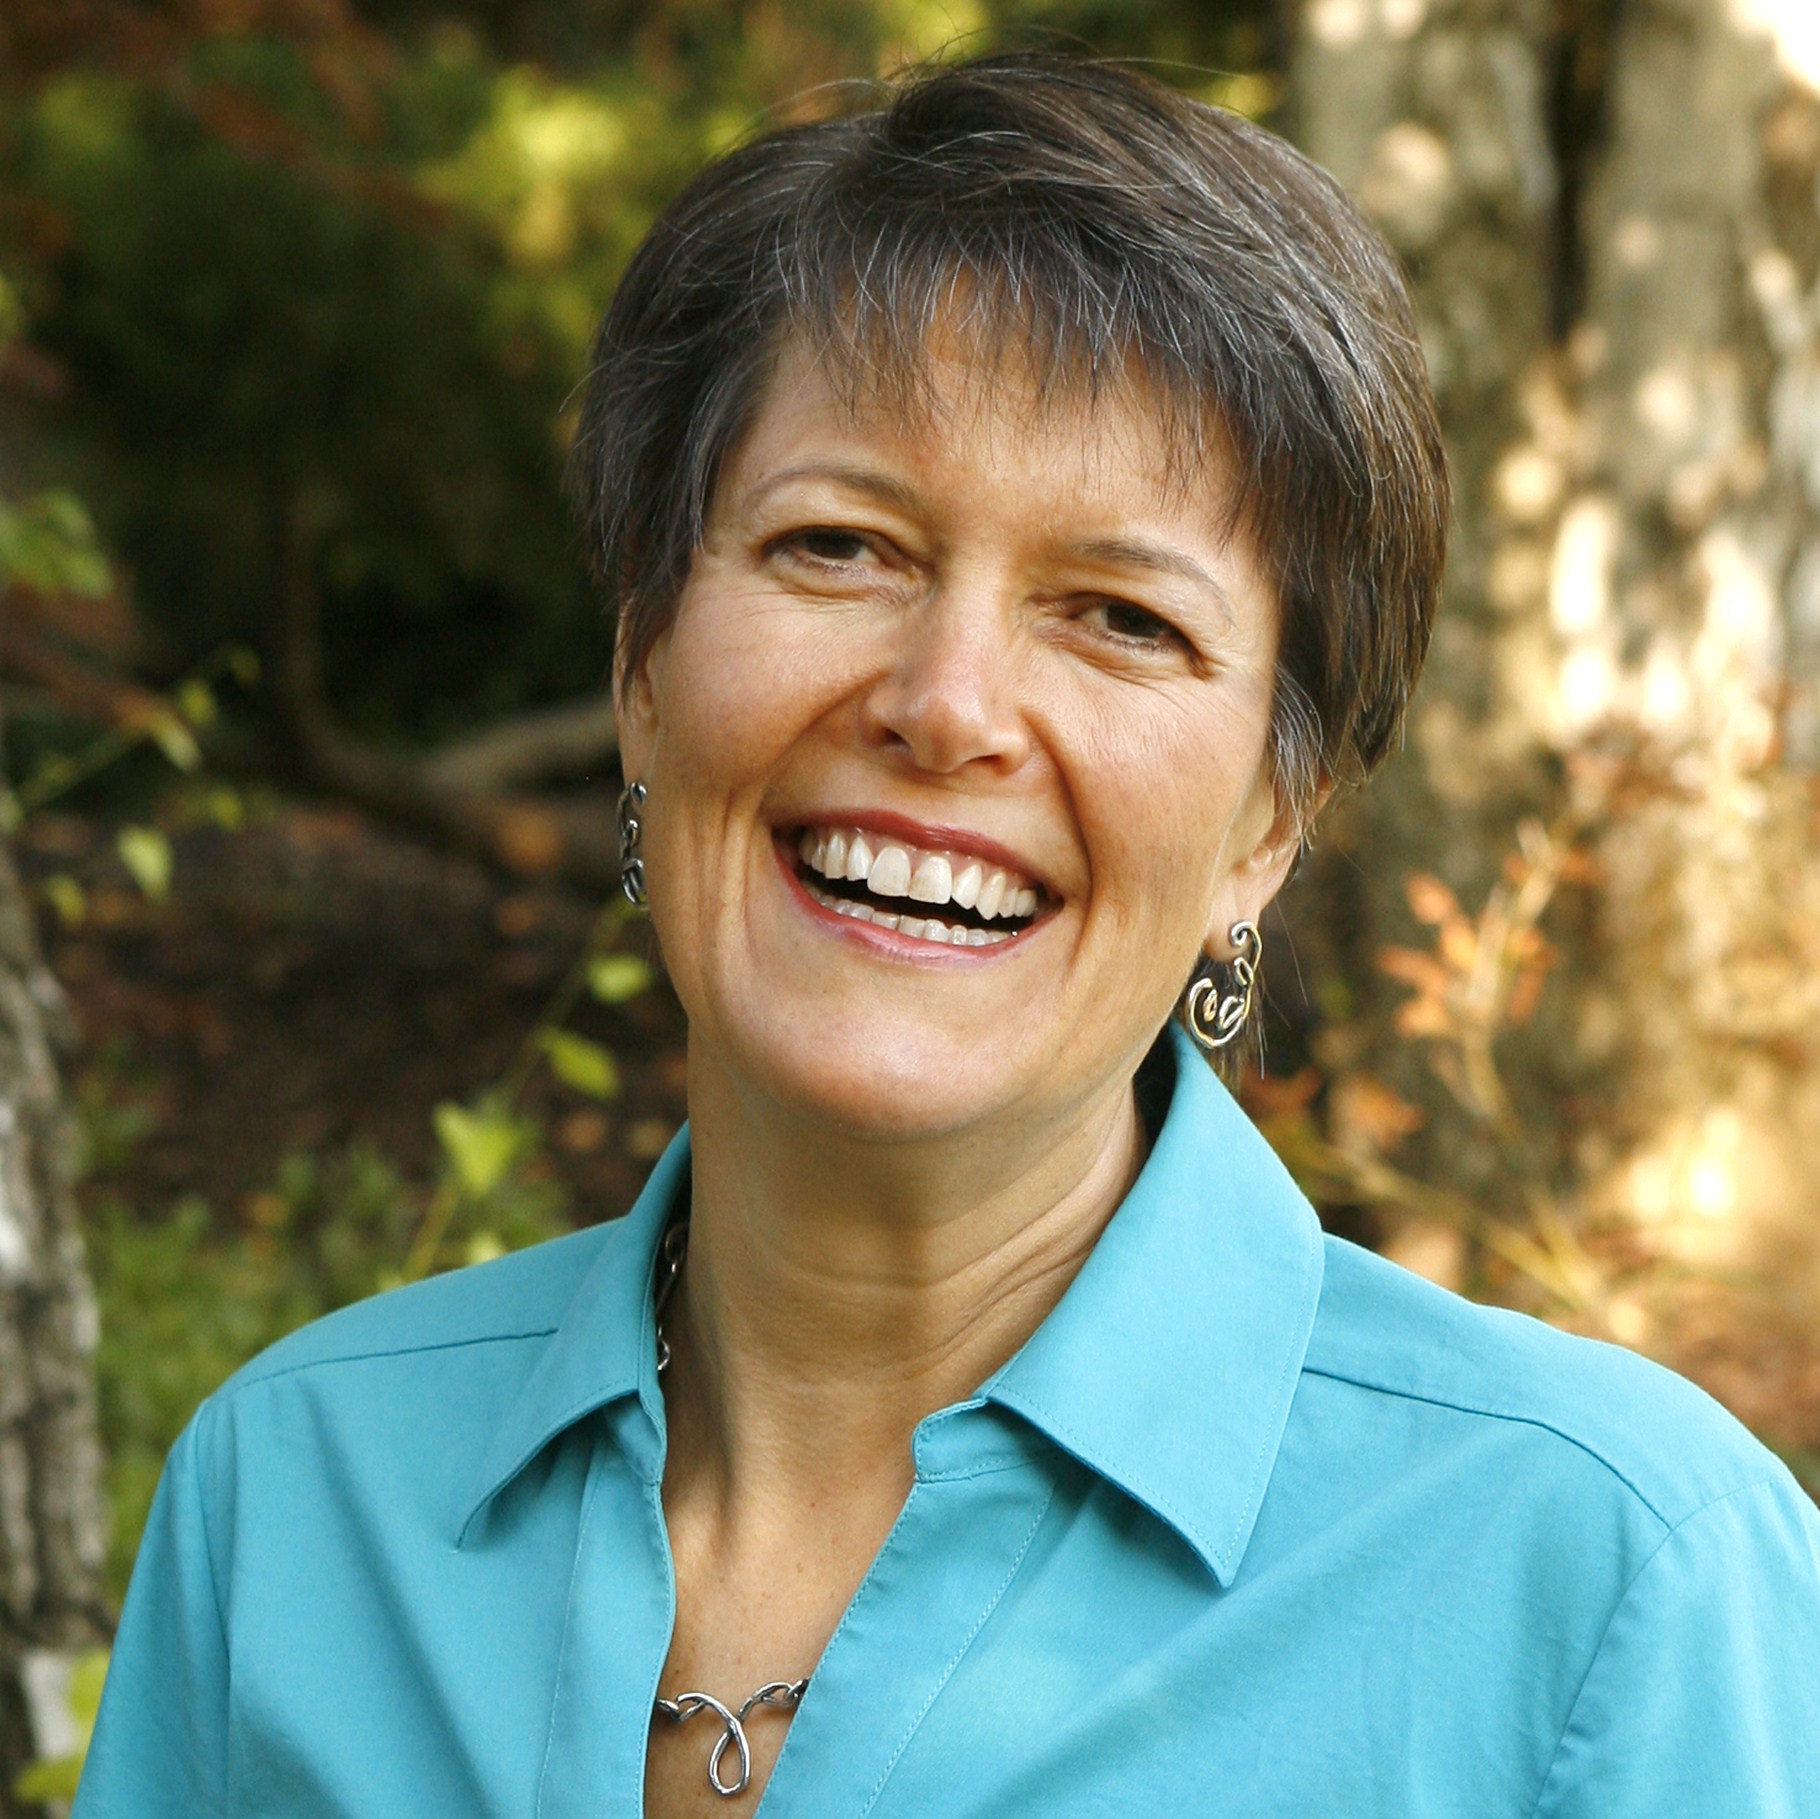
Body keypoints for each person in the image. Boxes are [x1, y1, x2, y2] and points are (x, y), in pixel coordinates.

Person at [75, 52, 1820, 1819]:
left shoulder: (1608, 1578)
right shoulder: (297, 1498)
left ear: (1267, 827)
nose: (947, 703)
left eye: (1121, 617)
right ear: (640, 680)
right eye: (837, 544)